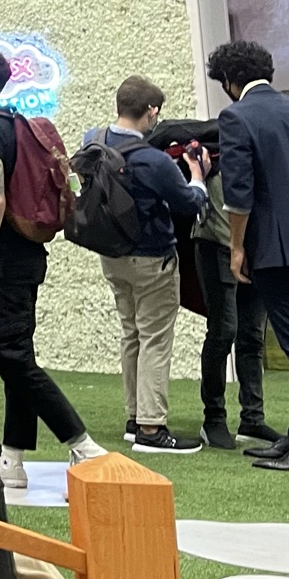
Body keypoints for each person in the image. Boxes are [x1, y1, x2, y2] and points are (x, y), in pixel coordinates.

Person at [209, 42, 289, 472]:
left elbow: (238, 195)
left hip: (272, 248)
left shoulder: (237, 116)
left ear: (229, 80)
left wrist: (238, 247)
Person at [0, 54, 103, 485]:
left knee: (10, 356)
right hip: (29, 255)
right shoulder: (16, 123)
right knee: (17, 354)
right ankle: (11, 459)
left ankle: (82, 444)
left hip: (4, 258)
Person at [84, 76, 207, 454]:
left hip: (112, 255)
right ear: (151, 111)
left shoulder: (93, 140)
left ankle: (135, 417)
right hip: (152, 258)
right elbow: (189, 203)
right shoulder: (153, 160)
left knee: (131, 333)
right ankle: (152, 429)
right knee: (155, 338)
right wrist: (198, 174)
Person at [190, 154, 276, 450]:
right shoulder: (223, 138)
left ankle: (252, 419)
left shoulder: (265, 143)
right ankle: (213, 419)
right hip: (216, 242)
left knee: (251, 335)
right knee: (223, 330)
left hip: (255, 246)